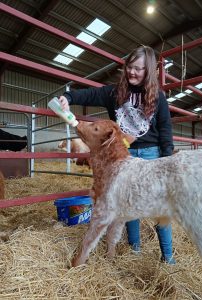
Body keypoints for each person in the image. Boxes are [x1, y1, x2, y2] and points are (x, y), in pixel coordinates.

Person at [59, 45, 175, 264]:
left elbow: (165, 129)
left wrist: (166, 159)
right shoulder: (115, 92)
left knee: (161, 207)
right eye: (130, 67)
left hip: (151, 155)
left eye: (139, 69)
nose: (133, 72)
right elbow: (90, 94)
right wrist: (68, 96)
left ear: (148, 71)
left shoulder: (157, 96)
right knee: (128, 205)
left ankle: (168, 257)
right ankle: (135, 250)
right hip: (124, 154)